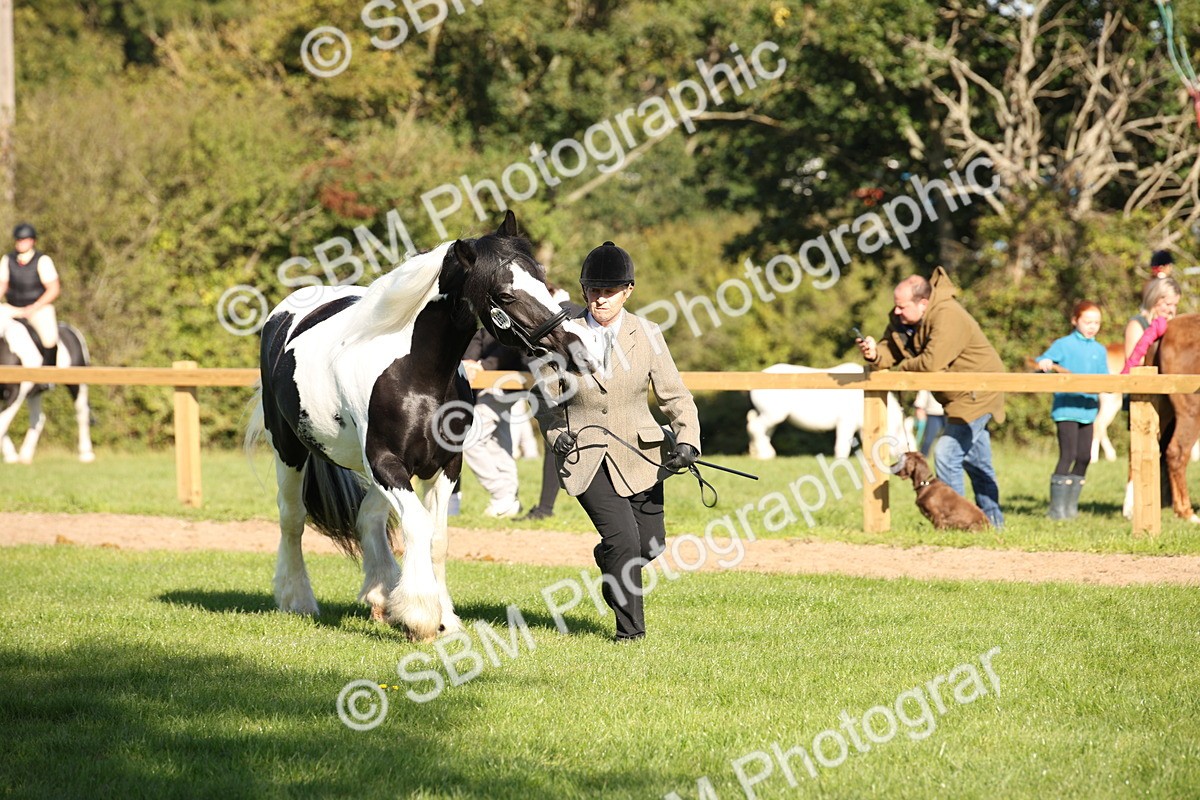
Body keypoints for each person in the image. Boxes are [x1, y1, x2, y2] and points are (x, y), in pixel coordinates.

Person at [533, 241, 701, 641]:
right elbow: (545, 402)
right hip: (584, 455)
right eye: (593, 290)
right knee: (624, 540)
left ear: (628, 291)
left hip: (641, 453)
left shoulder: (647, 333)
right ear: (583, 288)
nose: (600, 299)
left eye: (609, 291)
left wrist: (687, 440)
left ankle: (609, 562)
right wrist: (557, 434)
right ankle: (630, 635)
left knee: (651, 545)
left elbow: (675, 395)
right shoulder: (558, 338)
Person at [856, 268, 1007, 528]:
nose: (896, 312)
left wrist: (900, 372)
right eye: (896, 306)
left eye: (901, 306)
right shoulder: (904, 320)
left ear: (923, 304)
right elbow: (889, 349)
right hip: (955, 397)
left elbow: (931, 363)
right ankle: (994, 526)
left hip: (978, 392)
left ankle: (956, 525)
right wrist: (873, 354)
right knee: (976, 461)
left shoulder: (948, 315)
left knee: (947, 455)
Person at [1035, 301, 1108, 519]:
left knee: (1084, 456)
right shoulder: (1063, 344)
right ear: (1075, 320)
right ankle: (1057, 510)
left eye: (1096, 323)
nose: (1092, 326)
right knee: (1068, 454)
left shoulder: (1099, 350)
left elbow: (1105, 378)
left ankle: (1071, 506)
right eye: (1088, 322)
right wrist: (1045, 363)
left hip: (1087, 410)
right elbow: (1042, 362)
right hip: (1066, 409)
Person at [462, 328, 527, 518]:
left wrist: (483, 366)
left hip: (502, 384)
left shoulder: (512, 314)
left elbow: (512, 344)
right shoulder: (489, 320)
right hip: (494, 385)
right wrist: (470, 361)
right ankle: (508, 497)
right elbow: (481, 335)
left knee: (471, 441)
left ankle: (502, 495)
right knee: (500, 441)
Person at [0, 223, 61, 369]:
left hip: (37, 308)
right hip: (12, 307)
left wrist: (35, 307)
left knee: (49, 338)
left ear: (32, 241)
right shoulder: (8, 259)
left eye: (24, 240)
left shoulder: (42, 260)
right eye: (19, 240)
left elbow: (53, 289)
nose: (21, 243)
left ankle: (48, 374)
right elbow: (2, 285)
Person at [912, 390, 945, 457]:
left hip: (949, 412)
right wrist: (920, 407)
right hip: (932, 413)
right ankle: (922, 459)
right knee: (928, 440)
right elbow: (923, 391)